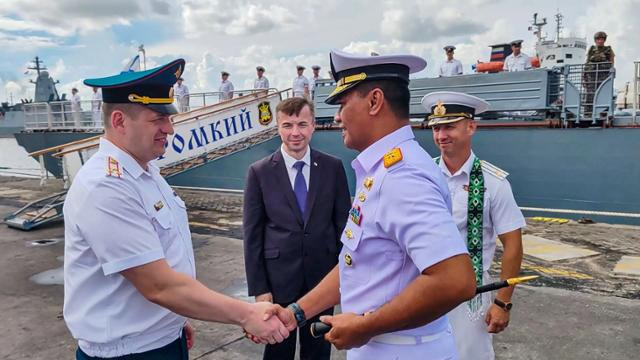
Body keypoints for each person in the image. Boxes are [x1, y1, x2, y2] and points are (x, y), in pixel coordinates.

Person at [252, 50, 477, 359]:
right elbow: (354, 264)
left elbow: (455, 280)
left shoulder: (402, 176)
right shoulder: (381, 170)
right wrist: (297, 313)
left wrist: (366, 326)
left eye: (343, 104)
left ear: (374, 101)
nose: (338, 117)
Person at [63, 59, 289, 360]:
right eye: (157, 118)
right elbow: (159, 285)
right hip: (129, 354)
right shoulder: (106, 186)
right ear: (119, 121)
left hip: (162, 340)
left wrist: (174, 321)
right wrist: (246, 314)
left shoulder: (145, 171)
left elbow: (165, 256)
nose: (169, 128)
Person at [243, 96, 351, 360]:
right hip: (278, 283)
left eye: (302, 124)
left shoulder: (333, 167)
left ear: (313, 125)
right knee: (278, 349)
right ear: (277, 128)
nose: (295, 133)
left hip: (321, 280)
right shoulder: (259, 172)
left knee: (318, 349)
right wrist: (260, 289)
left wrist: (346, 279)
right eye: (288, 125)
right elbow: (253, 236)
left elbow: (344, 228)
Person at [422, 91, 526, 360]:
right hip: (422, 290)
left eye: (449, 126)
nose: (441, 135)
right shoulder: (423, 176)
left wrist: (503, 302)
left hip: (471, 295)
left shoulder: (494, 183)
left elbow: (513, 243)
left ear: (471, 127)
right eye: (436, 127)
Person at [584, 31, 615, 117]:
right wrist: (584, 76)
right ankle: (588, 114)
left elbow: (612, 62)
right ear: (595, 40)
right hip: (592, 75)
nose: (600, 41)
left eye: (602, 39)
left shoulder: (608, 49)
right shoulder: (592, 50)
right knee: (590, 94)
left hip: (604, 76)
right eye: (598, 39)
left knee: (603, 94)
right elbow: (587, 63)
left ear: (604, 40)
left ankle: (604, 113)